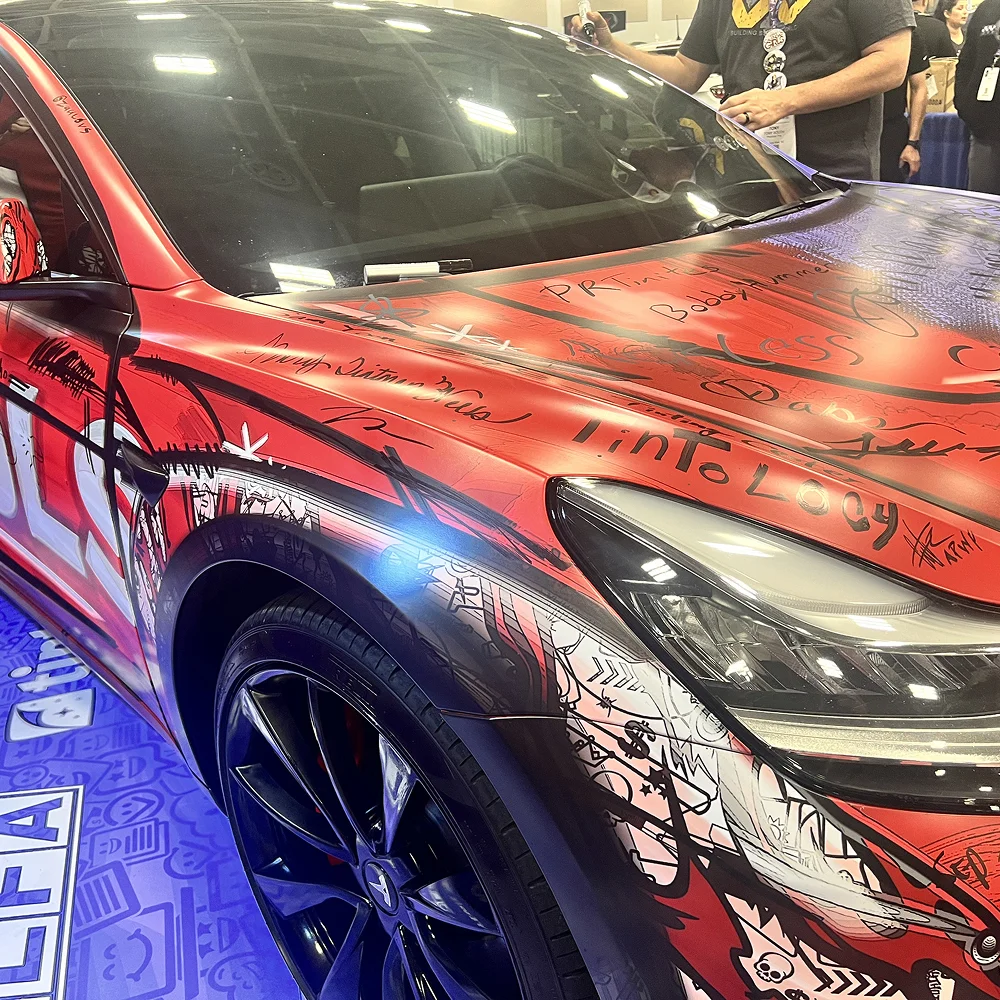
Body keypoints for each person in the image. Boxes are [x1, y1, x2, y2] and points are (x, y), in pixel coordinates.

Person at [568, 2, 912, 181]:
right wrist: (613, 47)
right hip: (746, 173)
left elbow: (891, 63)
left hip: (832, 177)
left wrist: (784, 100)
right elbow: (686, 72)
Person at [955, 0, 1000, 193]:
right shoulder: (986, 8)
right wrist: (965, 105)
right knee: (982, 214)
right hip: (985, 134)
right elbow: (966, 62)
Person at [880, 28, 930, 180]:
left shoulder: (906, 33)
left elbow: (919, 88)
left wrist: (912, 143)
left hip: (891, 127)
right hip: (849, 127)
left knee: (889, 194)